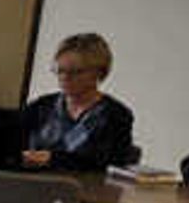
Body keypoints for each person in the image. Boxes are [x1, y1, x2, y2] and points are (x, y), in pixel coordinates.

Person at [17, 31, 140, 174]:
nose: (64, 77)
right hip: (33, 183)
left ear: (98, 73)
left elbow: (108, 165)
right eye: (60, 70)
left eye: (75, 72)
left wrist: (53, 159)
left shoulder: (116, 115)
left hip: (86, 191)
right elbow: (13, 143)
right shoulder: (42, 105)